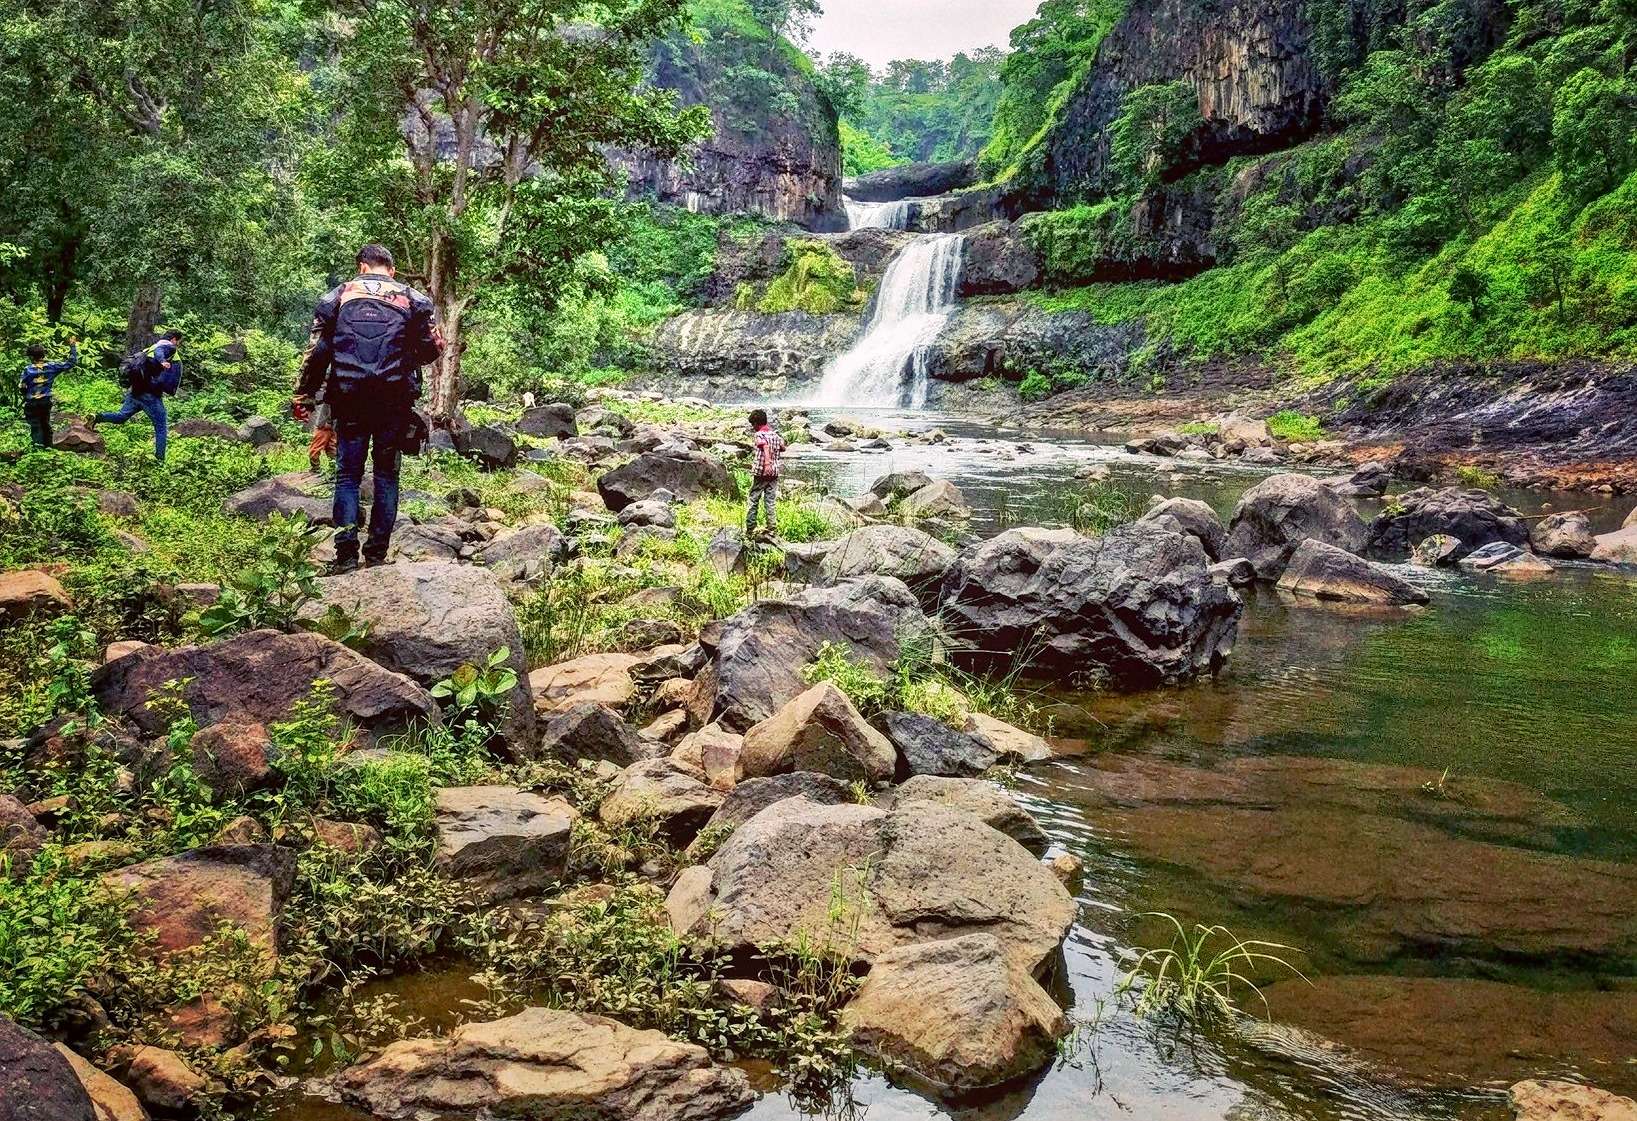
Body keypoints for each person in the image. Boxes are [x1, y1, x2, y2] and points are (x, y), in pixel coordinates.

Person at [293, 243, 442, 573]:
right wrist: (404, 359)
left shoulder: (338, 296)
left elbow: (317, 352)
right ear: (391, 269)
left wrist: (303, 393)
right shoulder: (413, 299)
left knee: (347, 475)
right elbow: (433, 348)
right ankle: (376, 554)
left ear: (362, 267)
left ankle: (345, 556)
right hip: (394, 399)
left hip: (349, 396)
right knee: (387, 474)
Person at [93, 329, 182, 461]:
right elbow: (160, 352)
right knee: (161, 428)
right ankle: (160, 461)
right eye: (179, 341)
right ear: (174, 339)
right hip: (150, 395)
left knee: (121, 416)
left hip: (135, 391)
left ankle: (97, 417)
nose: (178, 344)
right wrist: (163, 361)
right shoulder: (168, 347)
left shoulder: (149, 349)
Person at [18, 337, 78, 448]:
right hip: (45, 402)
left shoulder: (27, 369)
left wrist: (26, 395)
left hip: (32, 403)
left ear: (31, 357)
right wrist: (72, 345)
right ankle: (49, 448)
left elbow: (22, 386)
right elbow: (71, 362)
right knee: (45, 424)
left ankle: (38, 449)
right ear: (43, 355)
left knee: (35, 426)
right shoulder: (52, 367)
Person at [745, 407, 785, 538]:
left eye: (753, 425)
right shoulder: (775, 435)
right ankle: (772, 528)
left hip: (762, 472)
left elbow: (765, 446)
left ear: (756, 423)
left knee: (753, 499)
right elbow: (783, 447)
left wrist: (767, 463)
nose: (753, 427)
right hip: (774, 473)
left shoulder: (759, 435)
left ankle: (750, 528)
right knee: (770, 500)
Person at [306, 398, 336, 473]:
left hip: (324, 426)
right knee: (331, 448)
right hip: (331, 425)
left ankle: (316, 468)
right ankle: (332, 468)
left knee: (316, 449)